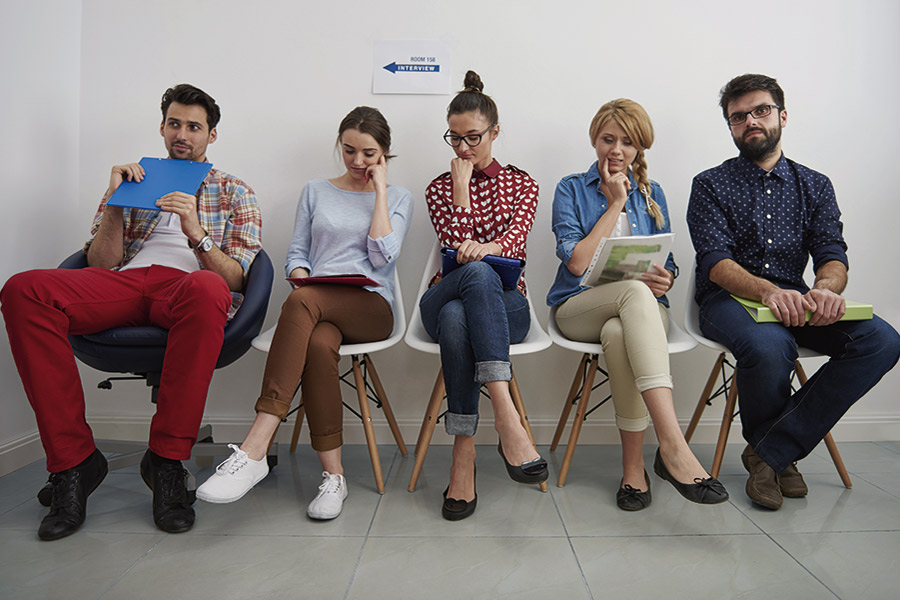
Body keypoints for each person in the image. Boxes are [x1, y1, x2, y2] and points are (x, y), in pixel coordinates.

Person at [0, 84, 262, 539]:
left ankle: (165, 460)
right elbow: (99, 263)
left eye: (194, 127)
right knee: (23, 289)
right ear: (162, 127)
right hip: (123, 283)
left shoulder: (235, 190)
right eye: (174, 124)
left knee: (206, 288)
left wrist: (196, 231)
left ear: (211, 136)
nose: (183, 134)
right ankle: (75, 463)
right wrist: (115, 203)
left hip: (187, 287)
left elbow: (236, 280)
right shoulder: (133, 178)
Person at [687, 73, 900, 510]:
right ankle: (778, 459)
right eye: (738, 116)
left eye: (760, 111)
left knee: (881, 340)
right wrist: (767, 292)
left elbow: (832, 253)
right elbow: (715, 261)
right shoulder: (710, 183)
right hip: (725, 301)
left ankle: (770, 451)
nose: (750, 121)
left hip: (797, 298)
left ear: (782, 116)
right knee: (771, 344)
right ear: (730, 127)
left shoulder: (815, 184)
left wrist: (826, 289)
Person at [196, 106, 412, 520]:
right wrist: (300, 274)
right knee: (316, 340)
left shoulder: (400, 197)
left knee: (301, 302)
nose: (357, 162)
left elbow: (384, 256)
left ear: (384, 153)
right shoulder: (315, 190)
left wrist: (380, 192)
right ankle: (334, 478)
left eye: (368, 153)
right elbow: (297, 253)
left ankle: (255, 445)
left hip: (370, 306)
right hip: (317, 305)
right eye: (348, 150)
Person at [547, 99, 728, 510]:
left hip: (639, 314)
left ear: (640, 147)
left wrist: (667, 278)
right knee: (632, 293)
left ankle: (634, 470)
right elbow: (575, 263)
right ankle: (673, 446)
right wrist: (614, 204)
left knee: (620, 329)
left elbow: (669, 261)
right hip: (578, 308)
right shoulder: (571, 188)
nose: (616, 150)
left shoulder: (654, 192)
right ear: (594, 139)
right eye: (608, 139)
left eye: (627, 142)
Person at [421, 70, 546, 521]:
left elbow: (515, 244)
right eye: (453, 138)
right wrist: (460, 191)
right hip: (442, 294)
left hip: (507, 304)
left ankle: (463, 455)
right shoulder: (438, 187)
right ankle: (506, 415)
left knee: (460, 317)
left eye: (472, 137)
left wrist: (490, 247)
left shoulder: (523, 184)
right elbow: (453, 253)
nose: (462, 148)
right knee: (470, 275)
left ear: (495, 131)